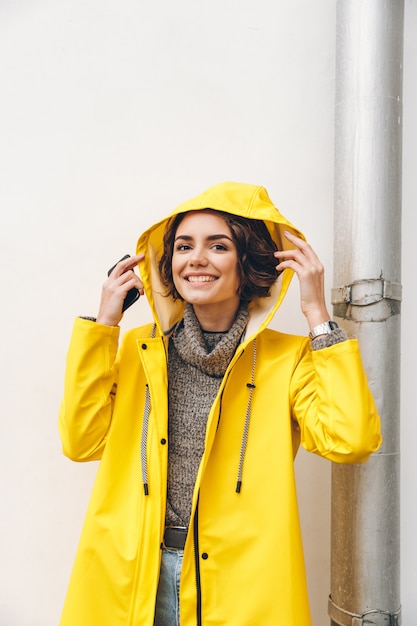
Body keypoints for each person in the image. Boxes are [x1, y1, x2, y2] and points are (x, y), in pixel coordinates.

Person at [58, 181, 382, 626]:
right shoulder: (137, 349)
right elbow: (80, 441)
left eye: (218, 246)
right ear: (167, 263)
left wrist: (317, 316)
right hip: (132, 575)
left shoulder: (288, 359)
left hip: (240, 587)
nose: (196, 259)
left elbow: (351, 440)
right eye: (184, 246)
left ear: (246, 262)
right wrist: (105, 323)